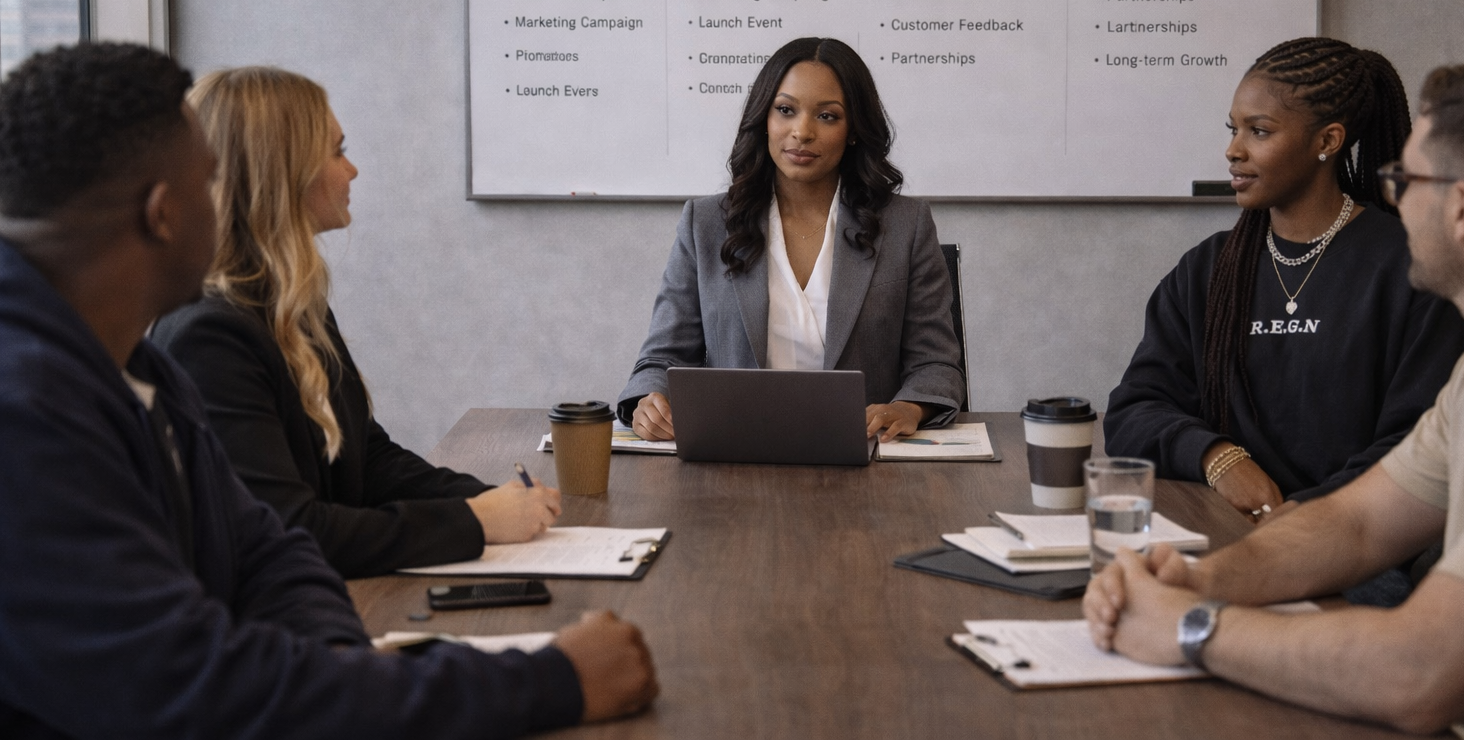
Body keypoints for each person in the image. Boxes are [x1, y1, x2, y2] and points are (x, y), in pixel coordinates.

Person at [0, 42, 657, 737]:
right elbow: (192, 686)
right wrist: (549, 680)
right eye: (210, 177)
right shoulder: (26, 417)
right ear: (164, 214)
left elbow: (268, 551)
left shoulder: (136, 367)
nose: (223, 198)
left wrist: (342, 677)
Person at [1084, 58, 1464, 736]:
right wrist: (1195, 582)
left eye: (1404, 179)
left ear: (1463, 208)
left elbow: (1419, 672)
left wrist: (1190, 626)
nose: (1392, 197)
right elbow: (1355, 525)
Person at [150, 67, 559, 578]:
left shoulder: (294, 306)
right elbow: (290, 531)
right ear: (286, 172)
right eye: (338, 152)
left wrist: (492, 500)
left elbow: (365, 458)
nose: (354, 171)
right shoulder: (209, 336)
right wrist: (473, 520)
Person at [1105, 38, 1464, 533]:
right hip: (1221, 530)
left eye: (1259, 131)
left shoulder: (1413, 266)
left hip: (1361, 546)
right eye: (1233, 129)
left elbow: (1420, 445)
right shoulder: (1207, 270)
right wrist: (1219, 458)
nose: (1233, 150)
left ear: (1327, 141)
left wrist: (1298, 525)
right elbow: (1134, 410)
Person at [621, 37, 964, 442]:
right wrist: (650, 399)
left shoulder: (907, 225)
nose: (802, 131)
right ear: (764, 118)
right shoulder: (706, 223)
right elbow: (661, 359)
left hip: (868, 461)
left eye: (827, 116)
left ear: (854, 130)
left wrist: (907, 407)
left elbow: (936, 364)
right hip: (736, 456)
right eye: (786, 110)